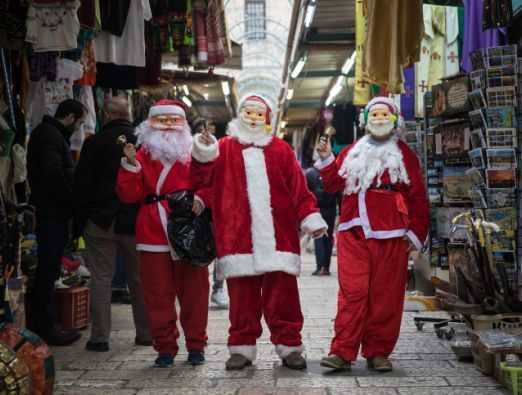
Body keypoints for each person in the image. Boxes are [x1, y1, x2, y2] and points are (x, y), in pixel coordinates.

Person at [191, 95, 327, 371]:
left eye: (258, 113)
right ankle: (241, 347)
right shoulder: (225, 148)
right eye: (248, 112)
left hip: (279, 238)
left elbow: (299, 189)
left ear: (267, 118)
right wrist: (202, 155)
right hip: (238, 239)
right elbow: (205, 180)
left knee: (285, 298)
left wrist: (310, 217)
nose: (253, 118)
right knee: (241, 299)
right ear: (240, 116)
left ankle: (290, 347)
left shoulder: (282, 150)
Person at [315, 97, 429, 372]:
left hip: (392, 235)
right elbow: (332, 185)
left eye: (384, 114)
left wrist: (414, 234)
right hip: (353, 231)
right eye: (374, 114)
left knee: (386, 296)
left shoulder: (405, 155)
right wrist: (326, 158)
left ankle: (378, 351)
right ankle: (342, 351)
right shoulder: (352, 151)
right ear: (366, 120)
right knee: (353, 293)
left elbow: (418, 199)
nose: (378, 118)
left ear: (393, 120)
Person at [117, 99, 210, 368]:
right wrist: (131, 166)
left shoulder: (195, 153)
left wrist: (202, 199)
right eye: (162, 121)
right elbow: (128, 195)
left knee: (195, 292)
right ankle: (165, 347)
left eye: (174, 121)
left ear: (183, 124)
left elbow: (209, 183)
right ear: (150, 124)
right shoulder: (141, 154)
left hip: (188, 230)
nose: (168, 127)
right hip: (152, 231)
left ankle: (196, 345)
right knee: (157, 294)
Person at [73, 97, 151, 352]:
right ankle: (145, 333)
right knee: (139, 279)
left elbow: (82, 186)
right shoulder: (142, 142)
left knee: (101, 278)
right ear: (127, 113)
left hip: (100, 221)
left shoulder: (93, 143)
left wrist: (77, 224)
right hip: (134, 220)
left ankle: (99, 338)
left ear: (106, 114)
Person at [27, 99, 86, 346]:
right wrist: (69, 199)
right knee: (48, 269)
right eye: (80, 122)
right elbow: (53, 174)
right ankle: (46, 327)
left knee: (49, 269)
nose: (79, 127)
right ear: (71, 117)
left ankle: (46, 324)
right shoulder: (51, 137)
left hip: (51, 211)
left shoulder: (48, 134)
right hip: (51, 213)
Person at [191, 117, 229, 310]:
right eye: (202, 131)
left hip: (217, 211)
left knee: (221, 252)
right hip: (196, 213)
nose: (206, 135)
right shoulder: (187, 153)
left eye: (210, 130)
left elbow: (217, 181)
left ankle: (218, 288)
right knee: (201, 252)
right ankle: (204, 289)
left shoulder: (219, 153)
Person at [305, 166, 337, 275]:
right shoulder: (333, 171)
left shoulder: (310, 173)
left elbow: (306, 193)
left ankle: (320, 267)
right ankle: (326, 267)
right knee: (328, 237)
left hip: (317, 207)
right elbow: (338, 192)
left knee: (318, 237)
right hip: (330, 208)